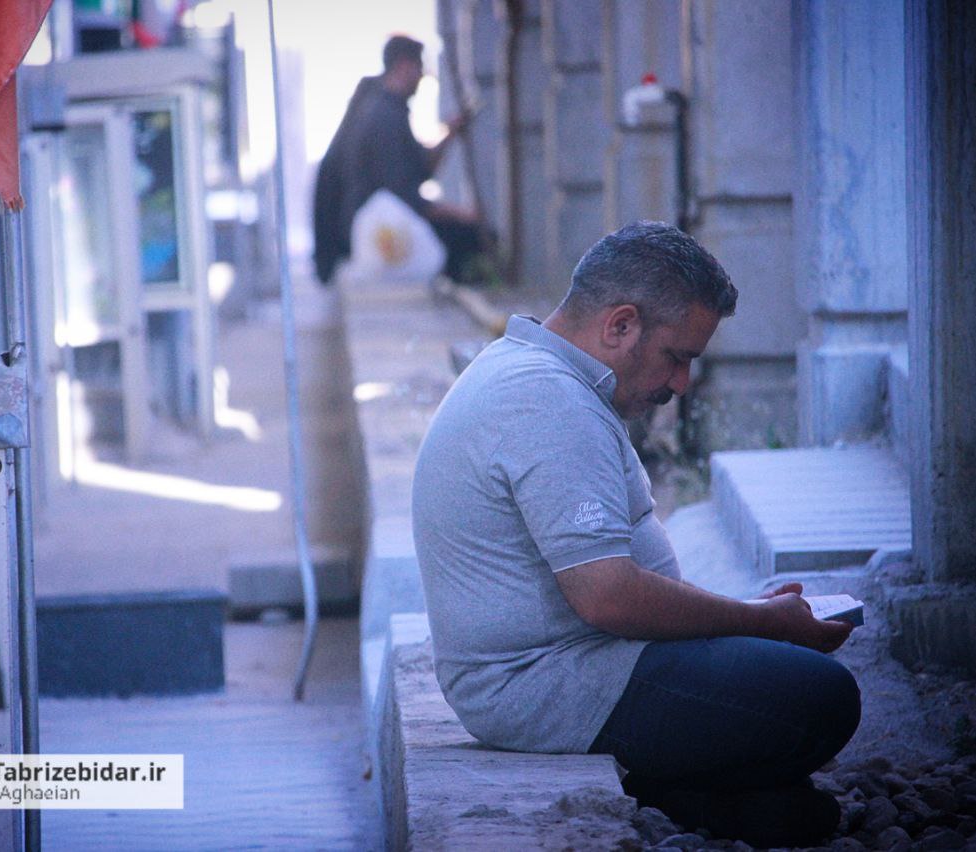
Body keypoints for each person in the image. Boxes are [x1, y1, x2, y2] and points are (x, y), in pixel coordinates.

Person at [411, 221, 861, 847]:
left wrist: (746, 619)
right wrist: (760, 624)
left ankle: (707, 796)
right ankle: (680, 790)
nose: (681, 385)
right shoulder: (549, 403)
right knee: (823, 696)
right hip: (544, 686)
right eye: (677, 357)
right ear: (621, 325)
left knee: (785, 727)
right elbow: (609, 597)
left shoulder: (538, 375)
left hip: (574, 664)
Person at [312, 34, 483, 285]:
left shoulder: (385, 108)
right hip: (375, 231)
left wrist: (450, 134)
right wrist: (462, 214)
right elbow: (405, 196)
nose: (422, 76)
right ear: (404, 66)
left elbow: (421, 170)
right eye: (420, 67)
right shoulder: (384, 117)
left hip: (368, 226)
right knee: (466, 238)